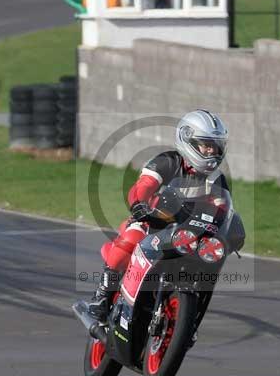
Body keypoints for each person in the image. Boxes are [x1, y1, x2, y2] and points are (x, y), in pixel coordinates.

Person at [87, 109, 230, 323]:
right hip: (152, 223)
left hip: (188, 235)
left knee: (211, 262)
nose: (211, 151)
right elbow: (144, 185)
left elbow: (222, 209)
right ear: (188, 140)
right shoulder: (168, 161)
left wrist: (229, 232)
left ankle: (191, 321)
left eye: (215, 146)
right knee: (131, 238)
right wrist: (139, 205)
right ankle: (103, 296)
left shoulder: (217, 180)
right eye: (206, 145)